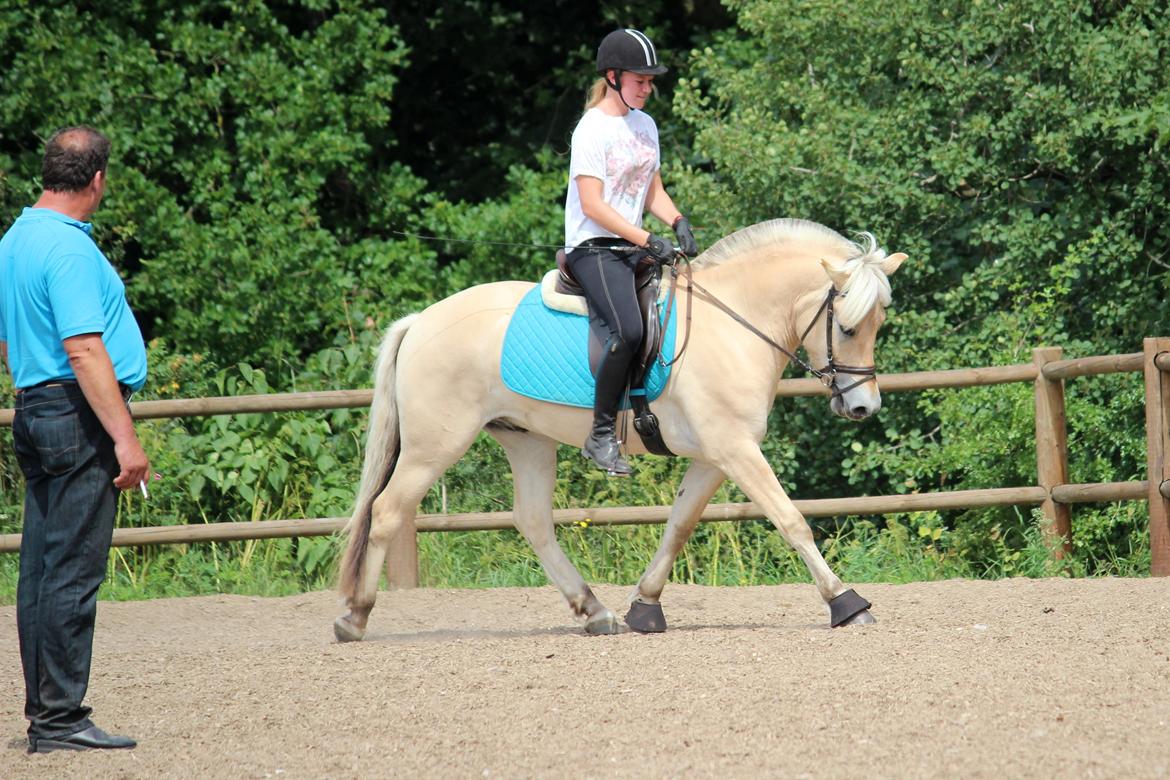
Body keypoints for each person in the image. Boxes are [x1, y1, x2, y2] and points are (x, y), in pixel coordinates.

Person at [0, 126, 150, 753]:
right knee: (71, 573)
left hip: (35, 406)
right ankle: (60, 719)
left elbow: (8, 340)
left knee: (39, 569)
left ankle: (47, 713)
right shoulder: (67, 248)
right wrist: (125, 440)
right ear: (97, 179)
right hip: (75, 415)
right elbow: (85, 349)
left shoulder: (14, 240)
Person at [564, 28, 699, 476]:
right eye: (640, 80)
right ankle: (601, 435)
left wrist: (677, 221)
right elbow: (592, 205)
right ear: (613, 77)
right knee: (628, 329)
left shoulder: (645, 125)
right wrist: (646, 239)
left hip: (633, 246)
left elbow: (651, 190)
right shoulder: (591, 129)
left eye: (650, 81)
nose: (647, 88)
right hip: (594, 248)